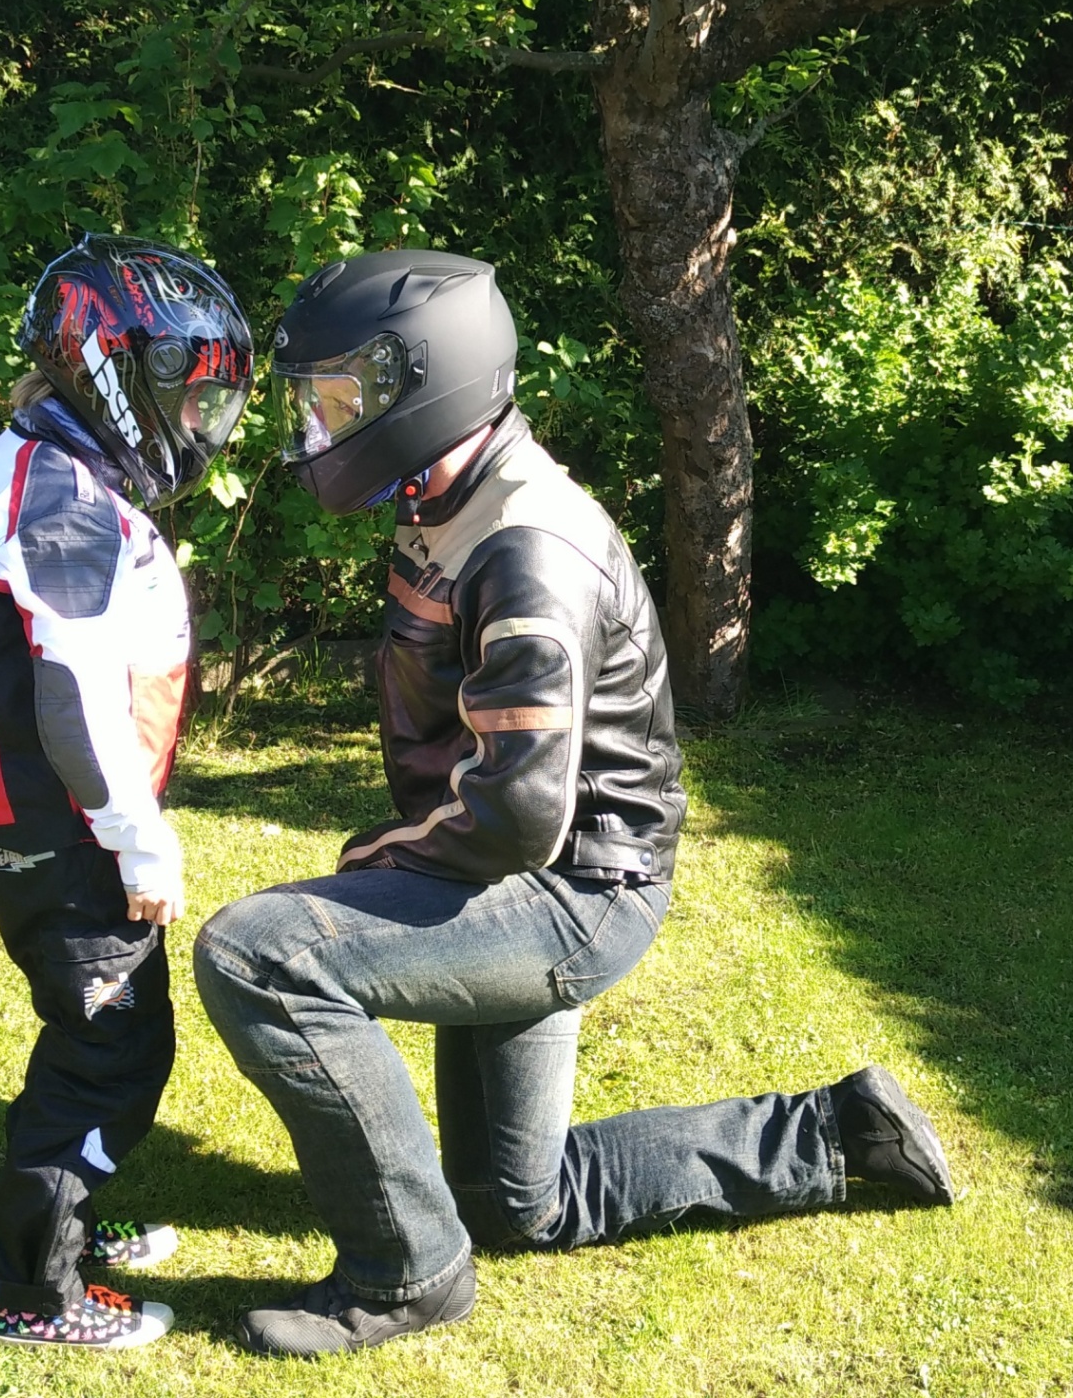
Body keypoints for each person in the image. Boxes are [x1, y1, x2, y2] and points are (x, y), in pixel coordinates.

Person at [192, 248, 952, 1359]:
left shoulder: (526, 549)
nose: (318, 424)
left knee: (258, 955)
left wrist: (383, 856)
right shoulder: (456, 489)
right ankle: (838, 1135)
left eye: (339, 398)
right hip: (525, 874)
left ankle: (408, 1276)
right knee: (518, 1201)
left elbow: (517, 815)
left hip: (567, 891)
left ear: (423, 380)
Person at [0, 233, 253, 1349]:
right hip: (57, 823)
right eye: (192, 396)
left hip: (36, 812)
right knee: (107, 1045)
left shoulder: (42, 459)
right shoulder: (58, 500)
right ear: (117, 375)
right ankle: (34, 1292)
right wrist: (138, 841)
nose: (200, 422)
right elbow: (71, 704)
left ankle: (72, 1222)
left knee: (106, 1028)